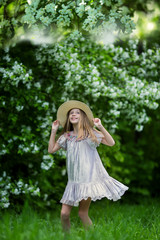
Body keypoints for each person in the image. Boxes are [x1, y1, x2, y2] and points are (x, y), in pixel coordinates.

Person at [48, 100, 128, 232]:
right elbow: (51, 150)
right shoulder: (66, 137)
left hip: (88, 181)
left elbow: (111, 142)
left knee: (82, 213)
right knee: (64, 214)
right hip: (73, 183)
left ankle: (93, 237)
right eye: (71, 113)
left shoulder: (90, 133)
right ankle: (66, 237)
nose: (73, 115)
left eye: (77, 113)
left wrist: (100, 126)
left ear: (83, 116)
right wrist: (53, 131)